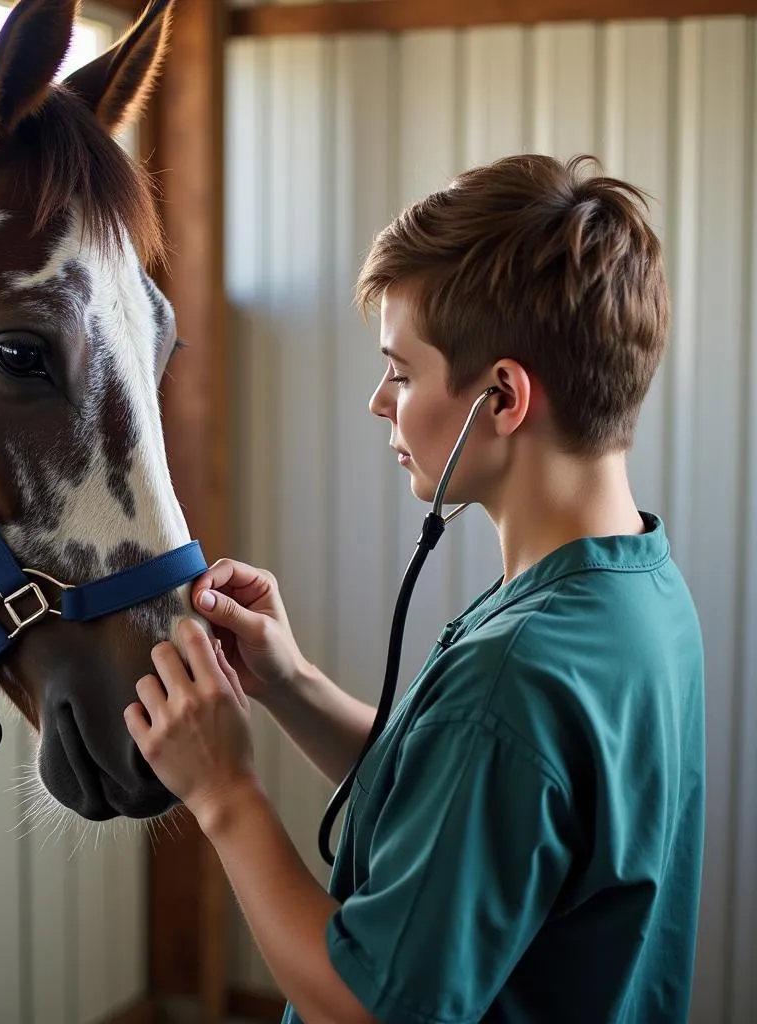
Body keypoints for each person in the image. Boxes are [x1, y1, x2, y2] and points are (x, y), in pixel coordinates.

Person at [123, 153, 706, 1024]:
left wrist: (225, 795)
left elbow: (365, 1010)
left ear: (502, 397)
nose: (378, 401)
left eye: (400, 370)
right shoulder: (638, 593)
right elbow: (462, 802)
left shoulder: (514, 677)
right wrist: (289, 682)